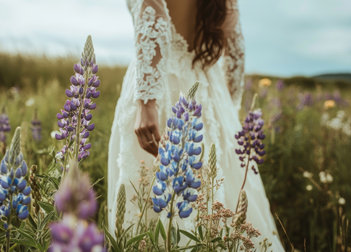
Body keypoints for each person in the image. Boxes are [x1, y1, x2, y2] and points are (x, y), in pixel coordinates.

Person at [108, 0, 284, 250]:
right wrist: (225, 113)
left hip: (161, 89)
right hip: (208, 91)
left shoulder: (152, 96)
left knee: (148, 205)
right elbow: (236, 50)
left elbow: (152, 11)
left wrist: (147, 101)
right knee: (213, 198)